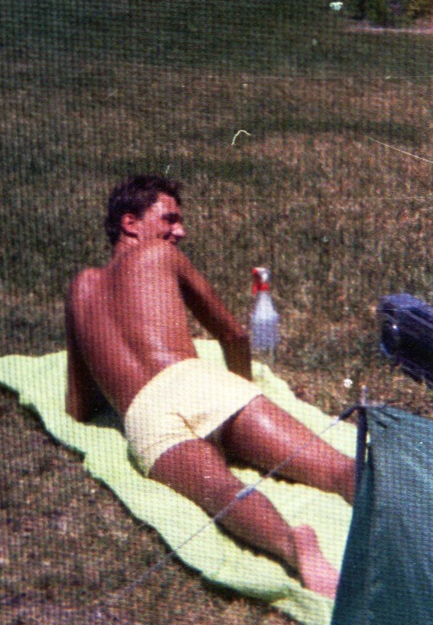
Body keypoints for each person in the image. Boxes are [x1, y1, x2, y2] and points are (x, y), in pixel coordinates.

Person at [65, 175, 355, 598]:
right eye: (170, 219)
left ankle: (293, 547)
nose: (179, 231)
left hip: (145, 417)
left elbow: (79, 406)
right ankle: (404, 515)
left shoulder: (79, 288)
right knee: (334, 468)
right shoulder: (159, 254)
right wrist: (243, 391)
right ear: (130, 223)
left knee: (221, 491)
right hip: (198, 382)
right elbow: (233, 335)